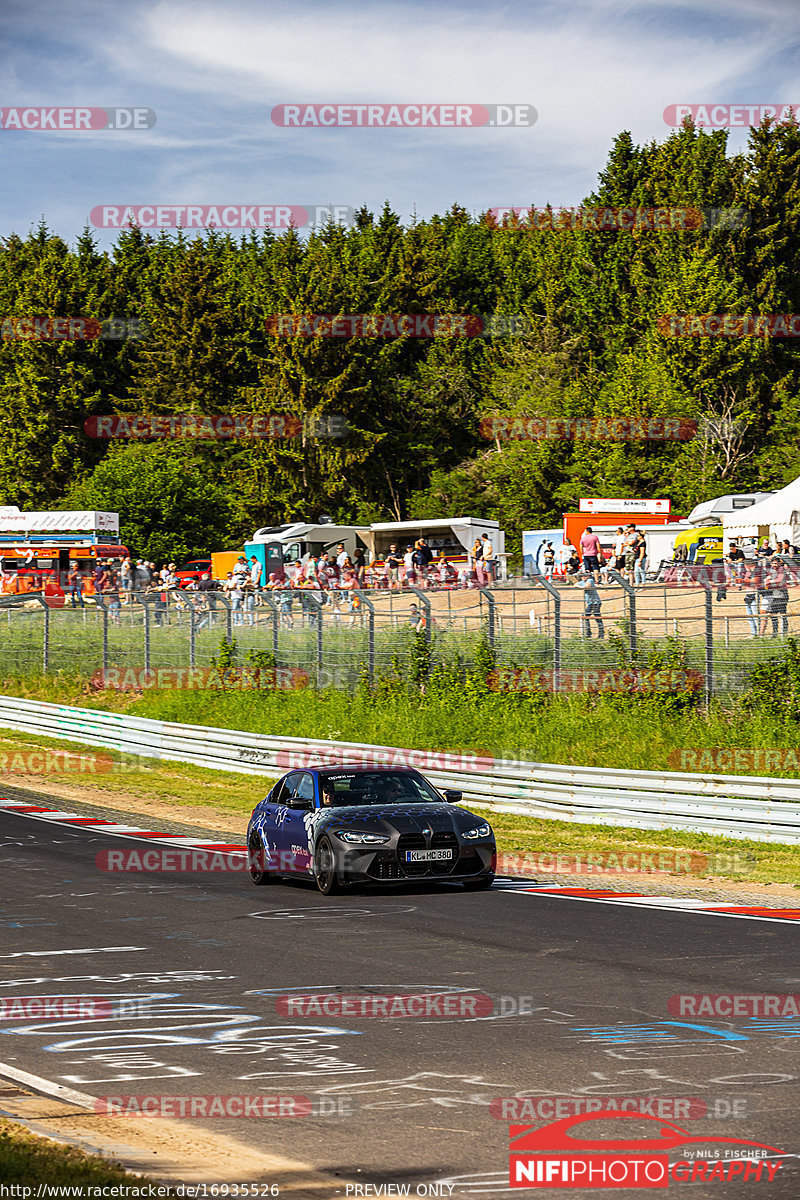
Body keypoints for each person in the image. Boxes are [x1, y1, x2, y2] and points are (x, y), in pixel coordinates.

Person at [582, 575, 604, 639]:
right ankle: (590, 633)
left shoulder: (590, 580)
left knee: (595, 617)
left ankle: (594, 633)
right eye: (582, 575)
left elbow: (587, 586)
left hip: (595, 602)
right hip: (591, 603)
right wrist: (581, 586)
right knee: (587, 616)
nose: (583, 577)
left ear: (588, 576)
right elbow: (575, 584)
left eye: (584, 575)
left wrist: (581, 586)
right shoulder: (583, 582)